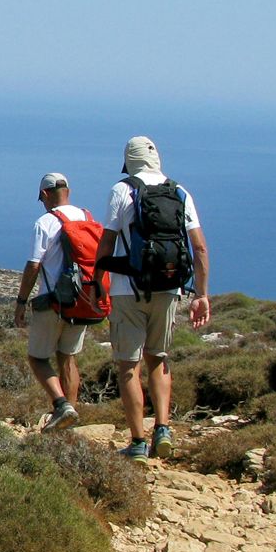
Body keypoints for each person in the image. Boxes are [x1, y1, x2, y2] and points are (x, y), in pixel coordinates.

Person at [97, 136, 211, 459]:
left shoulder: (122, 190)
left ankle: (137, 442)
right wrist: (201, 294)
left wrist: (95, 281)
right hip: (169, 289)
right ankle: (163, 428)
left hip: (126, 290)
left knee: (128, 367)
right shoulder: (179, 192)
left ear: (129, 163)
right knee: (158, 359)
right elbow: (199, 248)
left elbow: (106, 245)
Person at [13, 173, 88, 431]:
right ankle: (70, 415)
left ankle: (61, 405)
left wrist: (22, 301)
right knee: (68, 357)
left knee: (37, 357)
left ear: (45, 194)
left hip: (54, 300)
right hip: (84, 299)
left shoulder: (45, 222)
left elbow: (34, 264)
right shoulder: (87, 217)